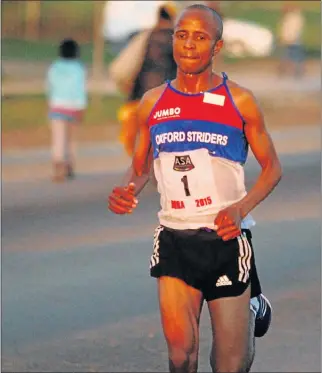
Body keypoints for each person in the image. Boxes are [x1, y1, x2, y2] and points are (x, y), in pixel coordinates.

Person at [108, 4, 282, 373]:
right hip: (174, 237)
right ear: (173, 39)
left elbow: (272, 169)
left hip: (225, 239)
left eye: (200, 37)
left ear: (217, 47)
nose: (189, 44)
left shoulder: (240, 100)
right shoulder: (153, 103)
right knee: (180, 356)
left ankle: (250, 305)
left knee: (229, 366)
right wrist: (128, 189)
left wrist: (241, 208)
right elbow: (140, 168)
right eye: (182, 35)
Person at [117, 2, 178, 156]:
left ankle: (145, 162)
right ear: (173, 17)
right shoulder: (176, 39)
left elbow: (135, 62)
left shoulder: (147, 36)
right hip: (165, 93)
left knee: (145, 129)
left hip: (144, 90)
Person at [46, 38, 87, 182]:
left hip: (57, 106)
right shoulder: (79, 68)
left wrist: (50, 103)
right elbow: (80, 89)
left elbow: (50, 87)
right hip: (74, 107)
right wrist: (82, 107)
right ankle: (69, 165)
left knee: (58, 138)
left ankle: (58, 166)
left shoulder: (54, 67)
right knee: (71, 139)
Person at [277, 3, 305, 78]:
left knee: (293, 56)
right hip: (290, 39)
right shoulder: (291, 17)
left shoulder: (293, 18)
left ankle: (296, 72)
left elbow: (292, 29)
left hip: (292, 39)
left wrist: (288, 38)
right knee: (290, 56)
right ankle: (289, 72)